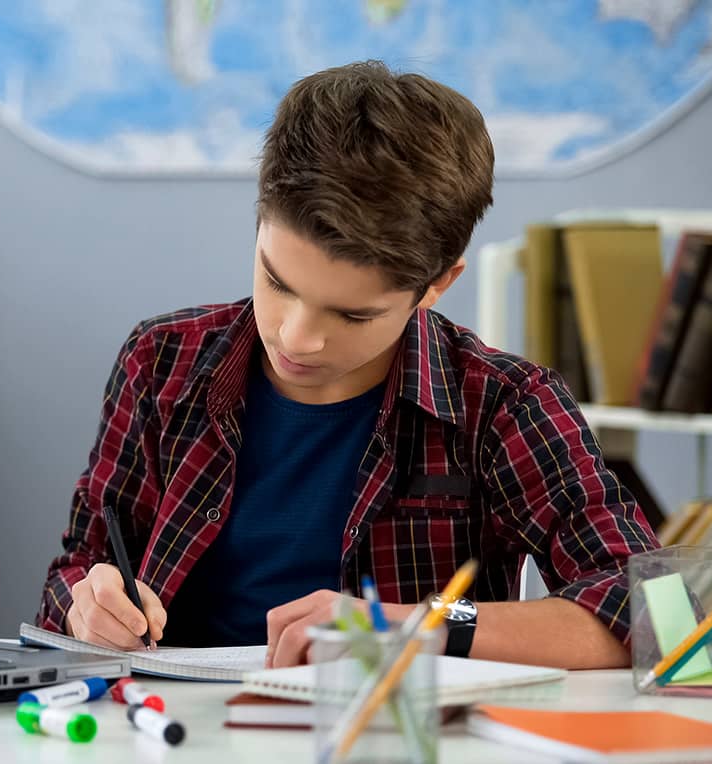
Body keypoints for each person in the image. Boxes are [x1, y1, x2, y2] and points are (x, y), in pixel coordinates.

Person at [34, 61, 658, 670]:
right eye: (276, 281)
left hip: (391, 737)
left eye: (352, 315)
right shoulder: (160, 361)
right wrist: (85, 605)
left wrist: (409, 624)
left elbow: (646, 610)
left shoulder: (502, 404)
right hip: (167, 729)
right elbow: (78, 565)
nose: (297, 338)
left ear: (437, 284)